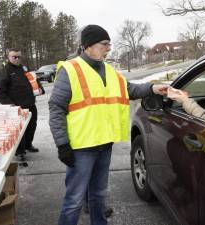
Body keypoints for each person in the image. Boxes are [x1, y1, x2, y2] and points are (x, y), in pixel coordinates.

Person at [49, 24, 168, 225]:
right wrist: (62, 145)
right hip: (81, 149)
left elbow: (130, 89)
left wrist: (153, 88)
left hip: (104, 145)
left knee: (98, 195)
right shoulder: (70, 70)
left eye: (109, 44)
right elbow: (56, 109)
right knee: (74, 200)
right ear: (88, 46)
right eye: (104, 44)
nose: (108, 48)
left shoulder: (110, 71)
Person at [0, 48, 45, 166]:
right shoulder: (5, 71)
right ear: (8, 57)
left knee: (32, 126)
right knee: (19, 131)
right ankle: (20, 152)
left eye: (18, 57)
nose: (17, 59)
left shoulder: (24, 69)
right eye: (14, 57)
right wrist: (9, 104)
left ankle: (28, 145)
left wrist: (40, 89)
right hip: (17, 108)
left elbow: (34, 81)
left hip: (30, 104)